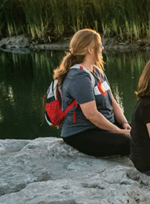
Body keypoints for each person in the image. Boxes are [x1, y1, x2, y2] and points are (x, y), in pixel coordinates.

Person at [55, 29, 131, 157]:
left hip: (103, 127)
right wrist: (118, 131)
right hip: (82, 133)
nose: (102, 47)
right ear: (90, 49)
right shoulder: (79, 77)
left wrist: (124, 123)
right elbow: (92, 115)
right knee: (128, 142)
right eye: (99, 44)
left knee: (142, 130)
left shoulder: (96, 70)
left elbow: (112, 101)